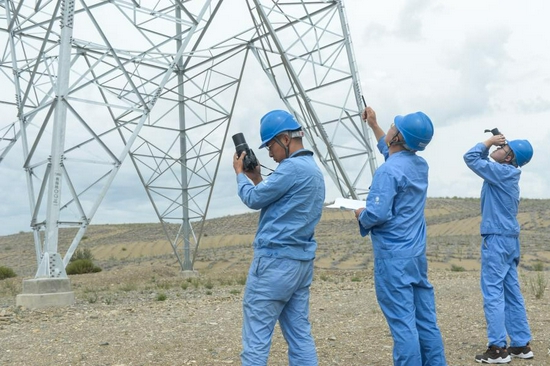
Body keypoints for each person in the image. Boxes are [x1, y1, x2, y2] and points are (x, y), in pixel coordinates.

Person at [354, 106, 447, 366]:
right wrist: (374, 124)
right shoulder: (419, 165)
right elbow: (392, 153)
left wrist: (362, 214)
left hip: (393, 259)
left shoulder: (387, 172)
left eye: (394, 127)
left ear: (398, 138)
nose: (390, 128)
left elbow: (377, 214)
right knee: (425, 321)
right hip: (416, 255)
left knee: (402, 324)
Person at [232, 109, 325, 366]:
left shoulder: (290, 168)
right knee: (299, 336)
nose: (269, 153)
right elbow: (280, 203)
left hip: (274, 265)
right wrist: (258, 178)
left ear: (285, 139)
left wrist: (241, 175)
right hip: (300, 265)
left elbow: (253, 199)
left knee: (256, 340)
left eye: (270, 145)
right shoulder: (313, 171)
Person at [464, 133, 534, 364]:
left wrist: (487, 142)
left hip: (496, 239)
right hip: (510, 240)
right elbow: (483, 161)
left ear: (509, 158)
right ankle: (521, 345)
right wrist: (495, 145)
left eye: (505, 147)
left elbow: (471, 157)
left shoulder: (501, 173)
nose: (501, 146)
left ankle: (497, 349)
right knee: (511, 292)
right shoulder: (507, 173)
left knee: (493, 292)